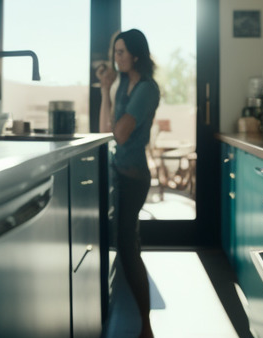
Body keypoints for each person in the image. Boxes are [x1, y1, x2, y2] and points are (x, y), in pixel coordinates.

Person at [98, 29, 161, 338]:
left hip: (133, 178)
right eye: (115, 52)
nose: (116, 57)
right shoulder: (124, 85)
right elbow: (103, 129)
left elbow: (119, 134)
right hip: (118, 174)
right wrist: (104, 89)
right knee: (126, 245)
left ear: (136, 54)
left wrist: (113, 124)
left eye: (121, 52)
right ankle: (137, 320)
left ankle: (146, 326)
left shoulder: (147, 89)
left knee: (127, 247)